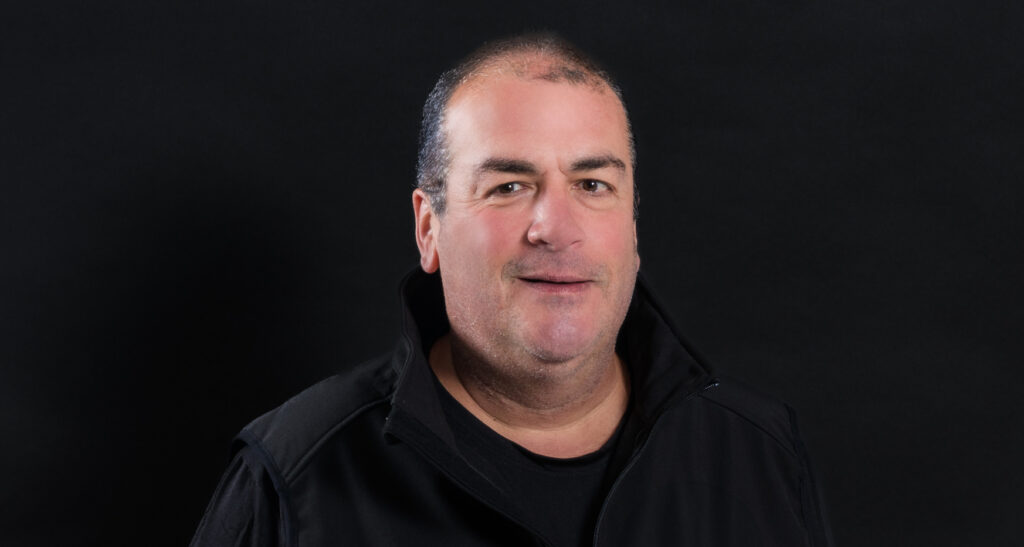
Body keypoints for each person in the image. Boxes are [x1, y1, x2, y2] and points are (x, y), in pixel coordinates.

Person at [191, 33, 833, 547]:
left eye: (592, 185)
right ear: (429, 229)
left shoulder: (757, 454)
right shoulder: (295, 476)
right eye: (508, 185)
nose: (555, 228)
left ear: (633, 226)